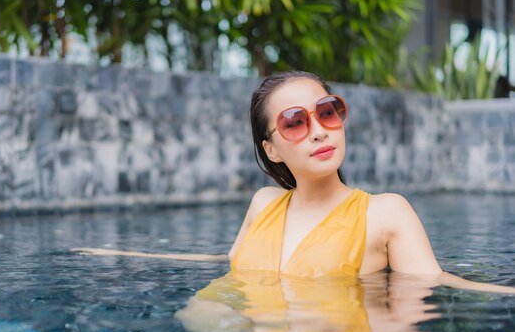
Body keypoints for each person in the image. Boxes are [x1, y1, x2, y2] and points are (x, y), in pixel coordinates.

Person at [72, 70, 515, 295]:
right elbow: (227, 261)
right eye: (294, 122)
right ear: (272, 149)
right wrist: (124, 255)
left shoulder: (385, 212)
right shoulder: (263, 203)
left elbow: (433, 285)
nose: (319, 130)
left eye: (327, 111)